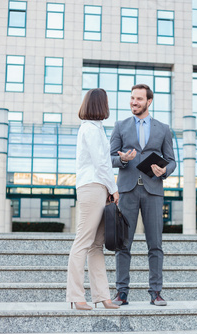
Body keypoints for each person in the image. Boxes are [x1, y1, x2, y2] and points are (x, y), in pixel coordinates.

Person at [110, 84, 176, 306]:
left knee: (155, 244)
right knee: (123, 245)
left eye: (138, 99)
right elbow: (109, 158)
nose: (133, 102)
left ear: (149, 102)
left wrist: (164, 170)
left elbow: (172, 160)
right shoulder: (120, 126)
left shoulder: (163, 129)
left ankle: (155, 292)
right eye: (132, 98)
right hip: (127, 190)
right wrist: (123, 160)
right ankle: (121, 293)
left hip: (153, 190)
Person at [66, 88, 120, 311]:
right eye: (106, 102)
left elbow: (102, 163)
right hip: (92, 187)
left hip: (100, 188)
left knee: (96, 246)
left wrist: (108, 189)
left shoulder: (96, 129)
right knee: (83, 241)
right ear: (100, 104)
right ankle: (76, 296)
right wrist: (114, 189)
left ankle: (102, 296)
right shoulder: (90, 129)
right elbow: (101, 163)